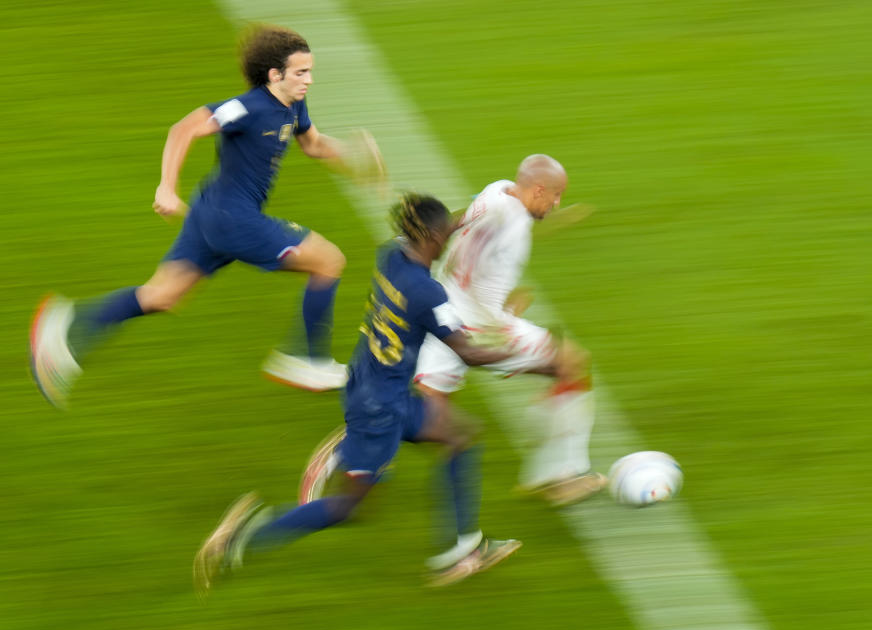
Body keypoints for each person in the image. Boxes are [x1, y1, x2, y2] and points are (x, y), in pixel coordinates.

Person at [29, 24, 385, 409]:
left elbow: (313, 145)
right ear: (274, 75)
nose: (309, 80)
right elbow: (183, 129)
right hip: (232, 220)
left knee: (162, 295)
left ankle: (63, 327)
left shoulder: (293, 105)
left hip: (210, 213)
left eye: (310, 71)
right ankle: (306, 358)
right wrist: (166, 186)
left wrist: (353, 154)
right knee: (329, 261)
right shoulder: (247, 107)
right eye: (301, 72)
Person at [194, 194, 522, 596]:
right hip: (379, 409)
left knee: (459, 437)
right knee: (349, 507)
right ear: (433, 237)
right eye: (445, 235)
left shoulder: (392, 256)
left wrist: (464, 218)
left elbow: (435, 228)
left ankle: (461, 550)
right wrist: (512, 352)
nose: (448, 240)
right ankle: (241, 537)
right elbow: (467, 353)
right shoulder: (427, 293)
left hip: (368, 383)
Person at [413, 154, 605, 507]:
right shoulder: (513, 228)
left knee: (423, 414)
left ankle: (355, 449)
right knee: (570, 363)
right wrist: (507, 315)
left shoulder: (495, 192)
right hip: (478, 328)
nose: (558, 204)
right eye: (556, 196)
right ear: (539, 189)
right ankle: (558, 477)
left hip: (439, 314)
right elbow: (487, 299)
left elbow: (458, 225)